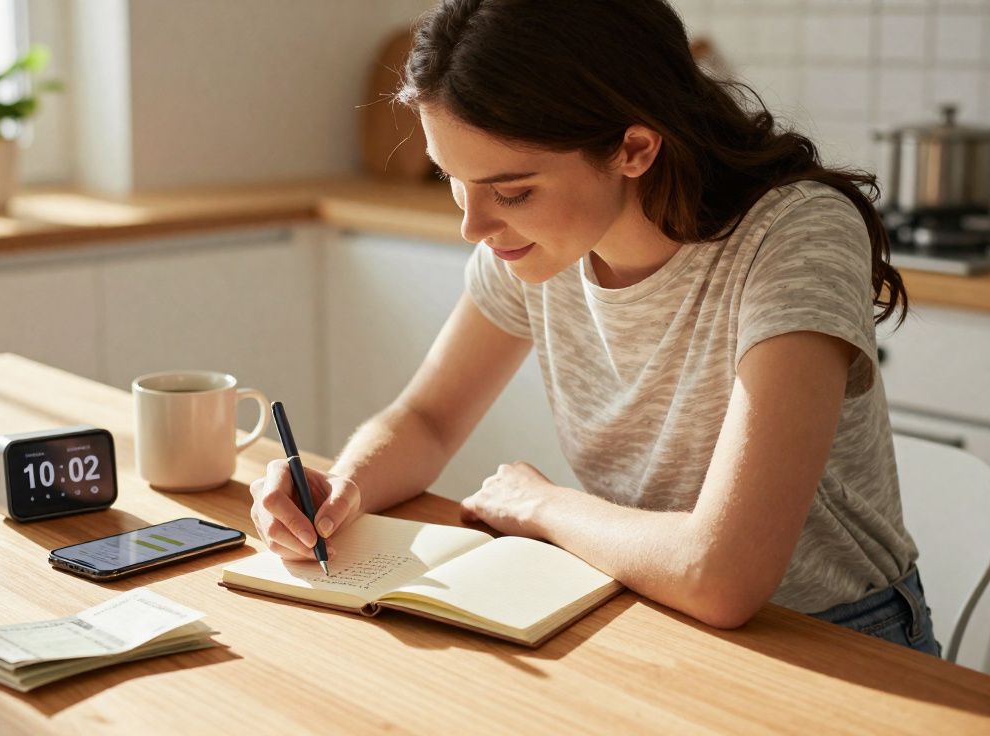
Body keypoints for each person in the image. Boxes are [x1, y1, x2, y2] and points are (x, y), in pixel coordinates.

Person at [248, 0, 941, 656]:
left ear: (634, 147)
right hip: (645, 605)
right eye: (452, 178)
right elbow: (428, 419)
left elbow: (721, 575)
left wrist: (544, 507)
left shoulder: (792, 236)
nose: (473, 226)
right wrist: (342, 487)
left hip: (834, 639)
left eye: (512, 190)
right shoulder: (533, 243)